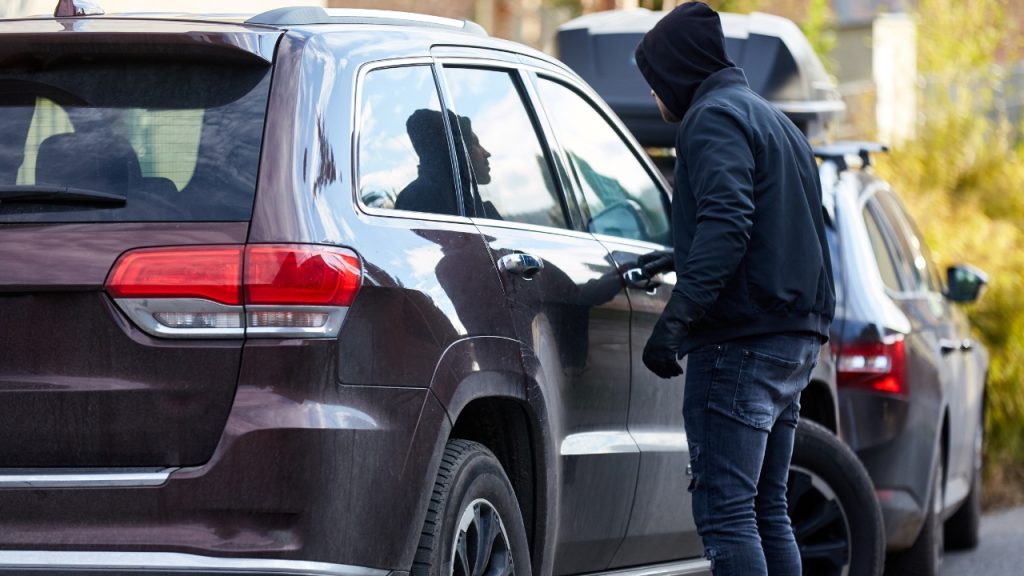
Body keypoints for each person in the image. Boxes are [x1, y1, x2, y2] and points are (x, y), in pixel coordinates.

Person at [634, 3, 835, 575]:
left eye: (655, 83)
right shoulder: (778, 124)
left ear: (677, 71)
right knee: (768, 511)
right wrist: (681, 256)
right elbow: (781, 231)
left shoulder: (712, 118)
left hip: (739, 344)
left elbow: (728, 222)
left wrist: (675, 321)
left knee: (727, 516)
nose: (655, 98)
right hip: (793, 340)